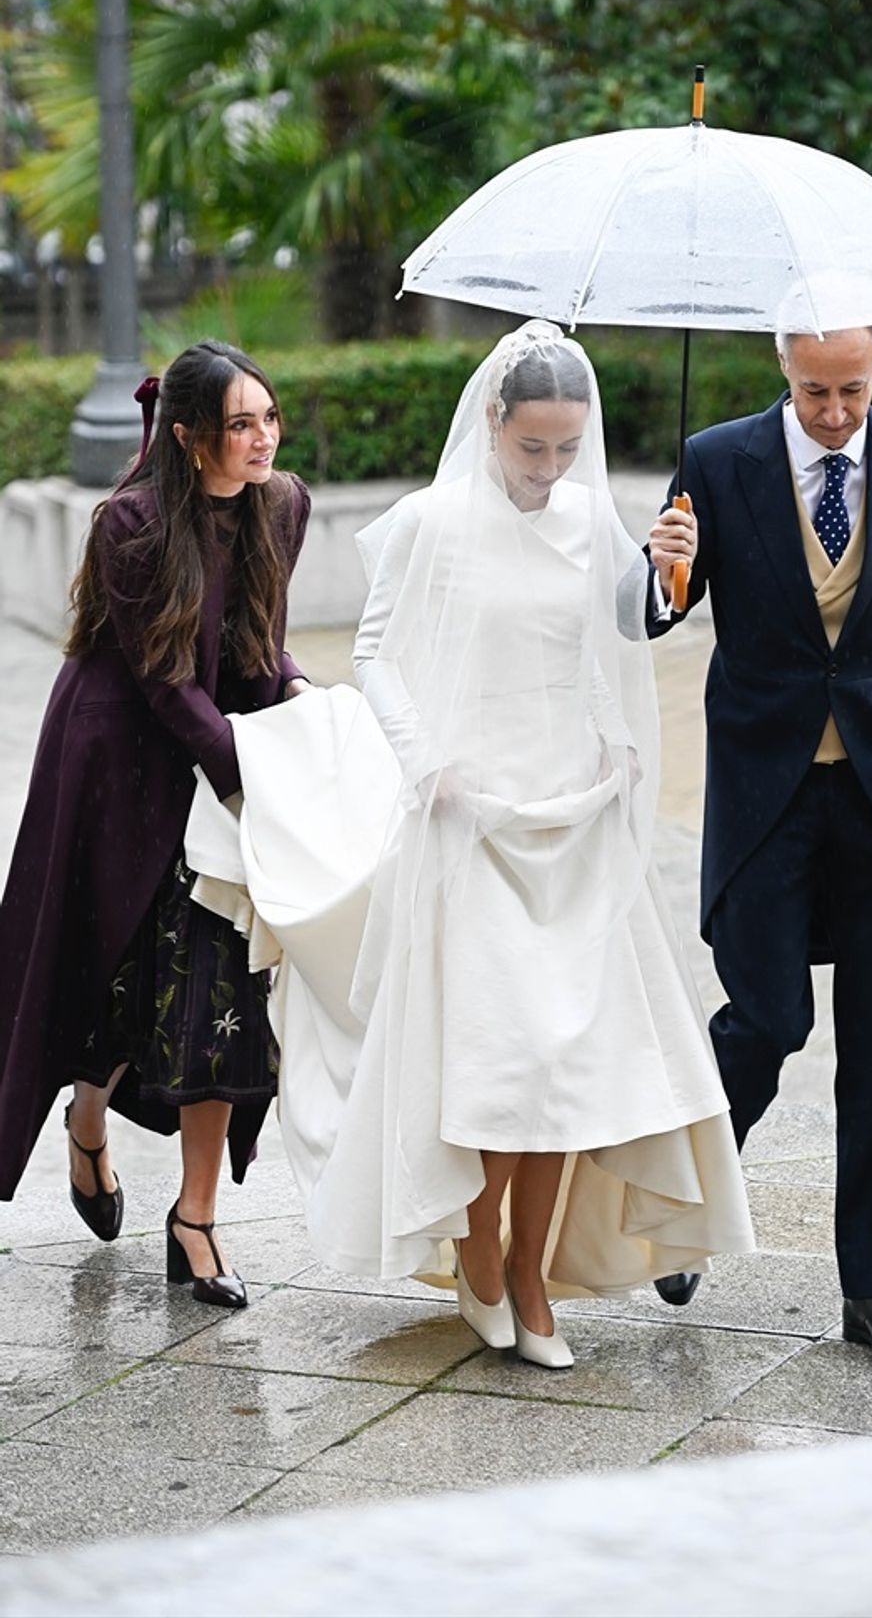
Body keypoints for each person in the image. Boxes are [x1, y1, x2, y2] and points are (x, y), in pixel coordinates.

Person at [261, 320, 753, 1369]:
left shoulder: (587, 516)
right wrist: (425, 762)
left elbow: (619, 626)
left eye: (569, 448)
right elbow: (376, 654)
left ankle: (533, 1270)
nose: (551, 468)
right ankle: (480, 1256)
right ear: (493, 423)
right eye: (533, 447)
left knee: (566, 1065)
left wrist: (665, 567)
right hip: (470, 815)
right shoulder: (428, 524)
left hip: (572, 817)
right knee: (490, 1064)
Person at [646, 318, 872, 1371]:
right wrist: (660, 570)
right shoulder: (716, 461)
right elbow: (660, 610)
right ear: (783, 368)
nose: (836, 412)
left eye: (852, 389)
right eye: (815, 391)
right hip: (764, 789)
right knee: (766, 1015)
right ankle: (687, 1210)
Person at [0, 339, 311, 1308]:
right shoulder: (130, 524)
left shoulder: (282, 505)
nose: (262, 440)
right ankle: (86, 1121)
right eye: (239, 425)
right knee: (106, 980)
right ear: (186, 438)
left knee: (223, 999)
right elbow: (164, 682)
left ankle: (196, 1221)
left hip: (219, 757)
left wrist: (305, 710)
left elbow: (259, 643)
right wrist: (249, 778)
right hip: (117, 761)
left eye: (269, 418)